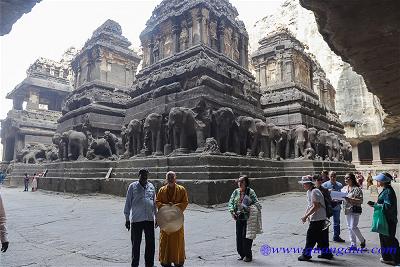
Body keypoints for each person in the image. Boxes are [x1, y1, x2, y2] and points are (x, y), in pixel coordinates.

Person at [124, 169, 157, 267]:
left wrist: (157, 217)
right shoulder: (132, 186)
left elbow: (154, 203)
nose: (144, 178)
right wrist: (127, 219)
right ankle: (135, 264)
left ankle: (149, 264)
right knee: (136, 244)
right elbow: (128, 203)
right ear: (138, 176)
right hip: (136, 220)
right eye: (142, 176)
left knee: (150, 244)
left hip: (149, 219)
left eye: (146, 176)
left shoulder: (151, 186)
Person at [156, 171, 188, 267]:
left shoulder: (181, 189)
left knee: (177, 241)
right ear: (166, 179)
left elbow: (185, 202)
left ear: (175, 178)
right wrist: (166, 207)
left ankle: (178, 260)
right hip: (165, 220)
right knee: (164, 240)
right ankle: (165, 261)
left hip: (177, 220)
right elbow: (157, 201)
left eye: (172, 177)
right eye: (168, 177)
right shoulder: (162, 190)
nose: (170, 179)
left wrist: (174, 207)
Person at [298, 175, 333, 261]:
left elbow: (315, 207)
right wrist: (306, 215)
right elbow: (310, 205)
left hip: (318, 218)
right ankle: (326, 253)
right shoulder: (309, 192)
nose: (303, 185)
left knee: (311, 237)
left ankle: (306, 255)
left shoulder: (314, 191)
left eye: (305, 183)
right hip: (317, 217)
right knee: (321, 237)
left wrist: (306, 216)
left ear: (310, 184)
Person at [368, 173, 400, 266]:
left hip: (388, 219)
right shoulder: (386, 190)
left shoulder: (388, 191)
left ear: (383, 181)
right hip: (384, 218)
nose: (377, 182)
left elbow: (388, 206)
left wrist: (375, 205)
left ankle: (396, 259)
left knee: (389, 239)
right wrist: (376, 203)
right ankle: (387, 258)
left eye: (379, 180)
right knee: (384, 238)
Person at [228, 175, 260, 262]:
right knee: (239, 237)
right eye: (239, 181)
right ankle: (242, 254)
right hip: (238, 217)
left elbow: (257, 204)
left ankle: (248, 256)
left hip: (248, 218)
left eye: (242, 181)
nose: (240, 183)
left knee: (246, 237)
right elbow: (230, 202)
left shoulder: (250, 192)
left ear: (246, 182)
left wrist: (247, 207)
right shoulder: (236, 192)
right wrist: (232, 211)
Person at [342, 173, 366, 250]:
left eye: (348, 178)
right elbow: (341, 198)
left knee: (353, 227)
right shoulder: (344, 188)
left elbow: (360, 200)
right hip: (346, 209)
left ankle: (362, 240)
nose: (346, 179)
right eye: (345, 178)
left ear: (352, 179)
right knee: (349, 227)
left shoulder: (357, 189)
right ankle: (353, 244)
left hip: (354, 209)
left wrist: (350, 199)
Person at [322, 171, 345, 242]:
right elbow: (321, 195)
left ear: (336, 176)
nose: (333, 178)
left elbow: (342, 195)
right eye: (331, 176)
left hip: (337, 206)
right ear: (328, 176)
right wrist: (327, 192)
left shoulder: (340, 185)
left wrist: (340, 199)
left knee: (337, 222)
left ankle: (336, 236)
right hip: (328, 206)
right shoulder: (324, 185)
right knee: (325, 222)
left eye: (334, 176)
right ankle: (324, 238)